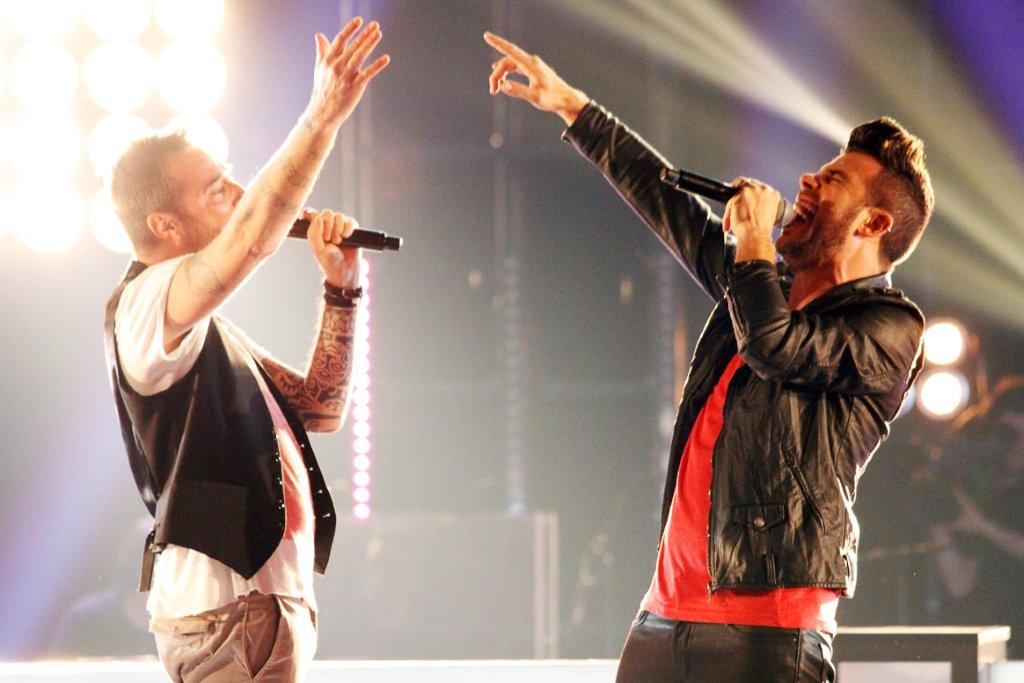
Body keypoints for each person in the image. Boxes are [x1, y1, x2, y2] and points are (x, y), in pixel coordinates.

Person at [484, 31, 932, 682]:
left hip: (770, 627)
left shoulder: (889, 326)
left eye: (833, 180)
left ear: (873, 224)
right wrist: (574, 108)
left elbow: (776, 346)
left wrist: (753, 241)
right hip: (663, 615)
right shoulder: (758, 284)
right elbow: (671, 207)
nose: (807, 181)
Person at [103, 17, 389, 682]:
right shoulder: (144, 307)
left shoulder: (205, 332)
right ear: (164, 225)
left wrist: (342, 289)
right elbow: (253, 238)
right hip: (231, 614)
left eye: (230, 181)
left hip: (256, 611)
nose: (237, 197)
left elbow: (320, 408)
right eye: (216, 191)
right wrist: (321, 117)